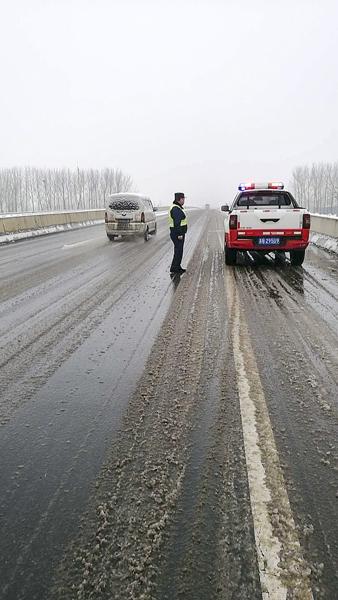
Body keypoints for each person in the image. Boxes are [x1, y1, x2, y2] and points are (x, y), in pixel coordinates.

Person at [169, 192, 187, 274]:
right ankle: (175, 268)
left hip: (176, 233)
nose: (184, 200)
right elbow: (177, 223)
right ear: (179, 199)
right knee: (178, 251)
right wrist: (179, 234)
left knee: (178, 251)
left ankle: (176, 267)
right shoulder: (176, 209)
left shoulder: (177, 207)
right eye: (183, 199)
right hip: (177, 234)